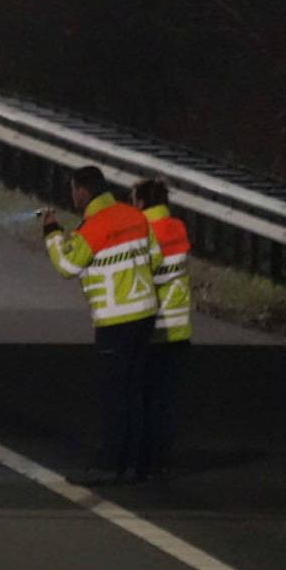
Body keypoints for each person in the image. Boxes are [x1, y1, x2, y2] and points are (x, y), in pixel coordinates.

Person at [40, 165, 162, 484]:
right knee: (136, 391)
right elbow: (157, 258)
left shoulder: (94, 227)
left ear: (82, 191)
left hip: (115, 319)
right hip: (145, 315)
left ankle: (111, 463)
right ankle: (138, 464)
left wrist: (52, 233)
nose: (72, 197)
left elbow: (67, 266)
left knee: (114, 394)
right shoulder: (135, 216)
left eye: (73, 191)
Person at [131, 177, 192, 477]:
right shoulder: (178, 227)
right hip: (179, 327)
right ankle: (163, 456)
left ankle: (144, 458)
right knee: (166, 399)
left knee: (143, 397)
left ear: (141, 202)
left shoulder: (142, 231)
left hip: (152, 327)